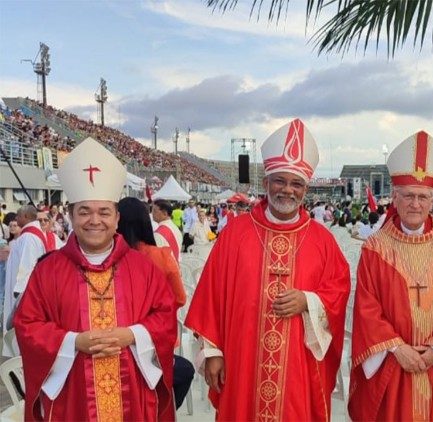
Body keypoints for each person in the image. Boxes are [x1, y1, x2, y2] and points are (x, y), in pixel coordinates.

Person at [185, 119, 350, 420]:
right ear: (266, 182)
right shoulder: (236, 233)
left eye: (296, 183)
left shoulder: (323, 241)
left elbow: (338, 292)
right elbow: (212, 295)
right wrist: (212, 352)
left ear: (306, 189)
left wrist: (308, 301)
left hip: (298, 366)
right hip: (241, 359)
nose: (287, 190)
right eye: (280, 180)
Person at [14, 138, 177, 421]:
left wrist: (132, 335)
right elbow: (27, 325)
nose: (94, 220)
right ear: (71, 216)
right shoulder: (48, 270)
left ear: (116, 218)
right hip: (73, 394)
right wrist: (73, 342)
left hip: (133, 390)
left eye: (104, 212)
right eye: (84, 211)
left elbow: (165, 316)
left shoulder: (143, 267)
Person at [348, 130, 433, 421]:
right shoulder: (376, 247)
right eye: (408, 196)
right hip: (395, 365)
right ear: (395, 197)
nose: (415, 204)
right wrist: (397, 347)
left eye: (422, 197)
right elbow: (367, 308)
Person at [116, 197, 193, 410]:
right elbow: (179, 298)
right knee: (184, 372)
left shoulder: (109, 259)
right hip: (154, 341)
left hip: (115, 341)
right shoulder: (160, 256)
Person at [2, 204, 43, 341]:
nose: (16, 218)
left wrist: (21, 294)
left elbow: (28, 266)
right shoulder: (29, 235)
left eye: (18, 215)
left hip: (22, 294)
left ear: (25, 217)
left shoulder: (29, 238)